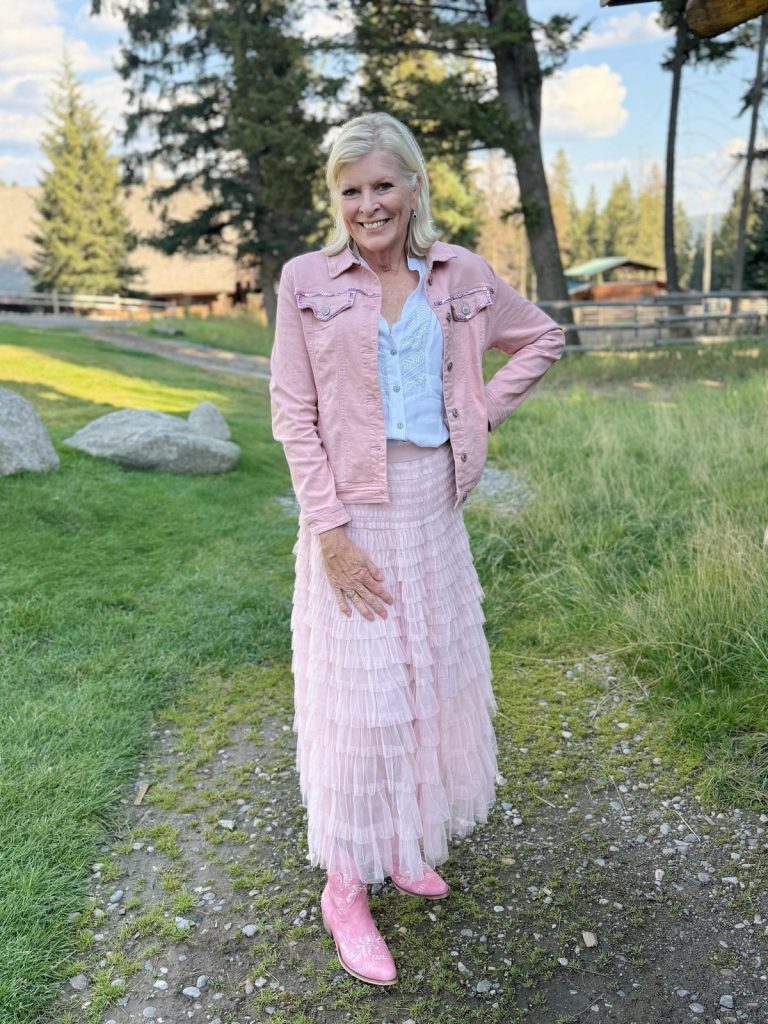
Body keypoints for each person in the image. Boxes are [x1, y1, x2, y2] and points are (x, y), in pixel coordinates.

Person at [270, 111, 564, 986]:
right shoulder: (304, 280)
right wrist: (328, 534)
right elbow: (292, 413)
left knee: (425, 684)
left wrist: (478, 412)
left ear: (414, 187)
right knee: (363, 707)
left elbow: (542, 337)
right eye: (351, 190)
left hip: (433, 504)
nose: (369, 204)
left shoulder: (460, 273)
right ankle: (344, 887)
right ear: (336, 198)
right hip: (354, 513)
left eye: (383, 185)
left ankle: (401, 845)